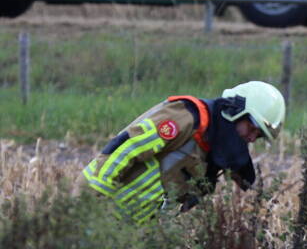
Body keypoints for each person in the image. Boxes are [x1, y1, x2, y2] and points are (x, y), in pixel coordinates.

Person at [81, 81, 286, 224]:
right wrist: (87, 204)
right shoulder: (187, 117)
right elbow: (127, 148)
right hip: (98, 212)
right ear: (237, 111)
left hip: (132, 233)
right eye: (252, 128)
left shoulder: (215, 153)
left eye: (258, 136)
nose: (251, 138)